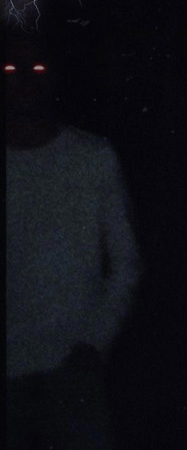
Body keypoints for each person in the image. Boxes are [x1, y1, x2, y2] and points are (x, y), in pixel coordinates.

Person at [4, 31, 141, 450]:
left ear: (54, 77)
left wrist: (94, 344)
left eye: (38, 67)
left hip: (72, 371)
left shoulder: (91, 158)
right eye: (11, 68)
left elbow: (126, 264)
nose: (25, 79)